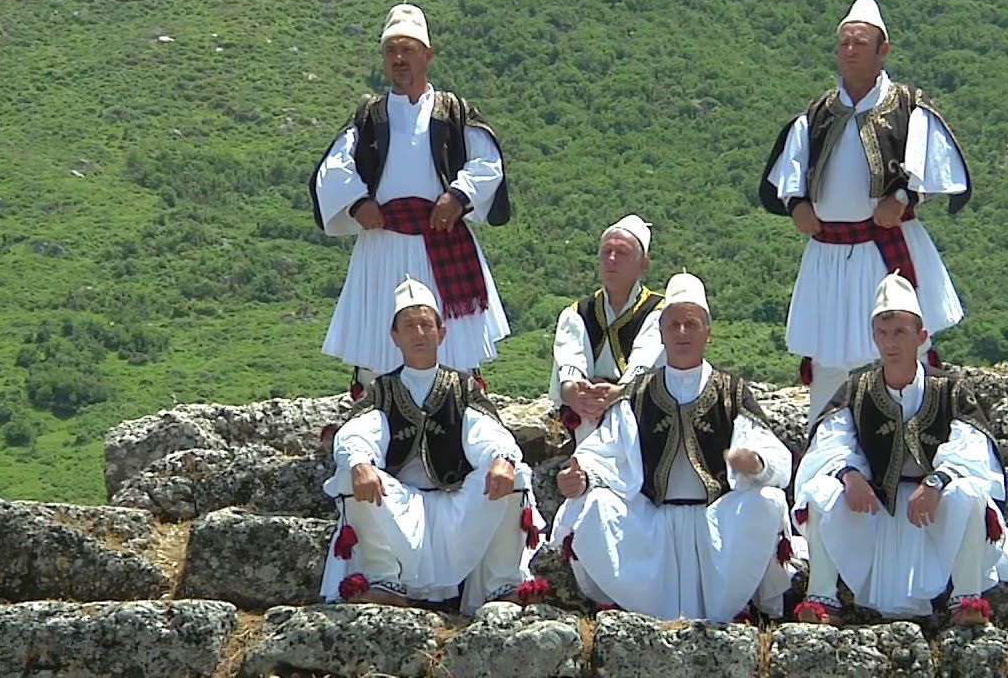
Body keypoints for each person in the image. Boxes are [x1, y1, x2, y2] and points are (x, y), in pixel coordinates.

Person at [759, 0, 972, 424]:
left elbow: (929, 167)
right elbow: (791, 171)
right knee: (828, 356)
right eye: (844, 43)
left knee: (900, 344)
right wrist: (796, 204)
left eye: (860, 42)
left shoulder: (908, 107)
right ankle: (825, 443)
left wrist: (903, 199)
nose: (850, 50)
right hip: (828, 254)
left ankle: (914, 432)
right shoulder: (817, 114)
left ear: (882, 50)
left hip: (885, 249)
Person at [791, 272, 1008, 625]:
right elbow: (831, 440)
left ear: (921, 337)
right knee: (819, 490)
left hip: (933, 511)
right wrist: (849, 474)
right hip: (875, 509)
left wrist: (937, 481)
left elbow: (971, 446)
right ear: (873, 336)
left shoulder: (950, 390)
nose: (890, 343)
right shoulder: (857, 389)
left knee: (971, 490)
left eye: (900, 332)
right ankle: (821, 601)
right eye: (882, 333)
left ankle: (967, 601)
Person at [550, 272, 796, 621]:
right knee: (593, 505)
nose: (682, 332)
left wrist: (756, 463)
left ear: (708, 331)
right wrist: (581, 477)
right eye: (674, 325)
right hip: (653, 523)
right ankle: (623, 602)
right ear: (661, 333)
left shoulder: (730, 392)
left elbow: (775, 458)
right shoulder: (638, 394)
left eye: (691, 324)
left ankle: (753, 605)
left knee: (767, 501)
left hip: (717, 521)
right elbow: (603, 453)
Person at [311, 3, 511, 393]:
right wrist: (358, 202)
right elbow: (334, 166)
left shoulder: (453, 112)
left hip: (443, 238)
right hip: (382, 244)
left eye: (408, 49)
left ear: (427, 55)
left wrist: (459, 195)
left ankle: (458, 408)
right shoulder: (370, 116)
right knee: (378, 347)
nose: (399, 58)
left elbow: (488, 161)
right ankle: (378, 408)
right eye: (391, 51)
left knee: (453, 348)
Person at [318, 277, 546, 613]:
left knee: (515, 473)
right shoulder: (382, 390)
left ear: (442, 332)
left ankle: (502, 584)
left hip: (459, 504)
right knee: (351, 474)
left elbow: (484, 430)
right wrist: (360, 463)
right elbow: (359, 431)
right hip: (398, 506)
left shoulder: (463, 387)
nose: (419, 333)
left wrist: (501, 457)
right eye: (409, 326)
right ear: (395, 336)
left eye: (426, 324)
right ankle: (384, 581)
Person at [549, 215, 665, 443]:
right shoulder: (577, 313)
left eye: (622, 253)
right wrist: (576, 394)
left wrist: (618, 394)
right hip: (589, 422)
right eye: (606, 252)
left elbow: (644, 363)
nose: (612, 259)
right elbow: (570, 364)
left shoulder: (660, 313)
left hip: (640, 421)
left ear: (643, 263)